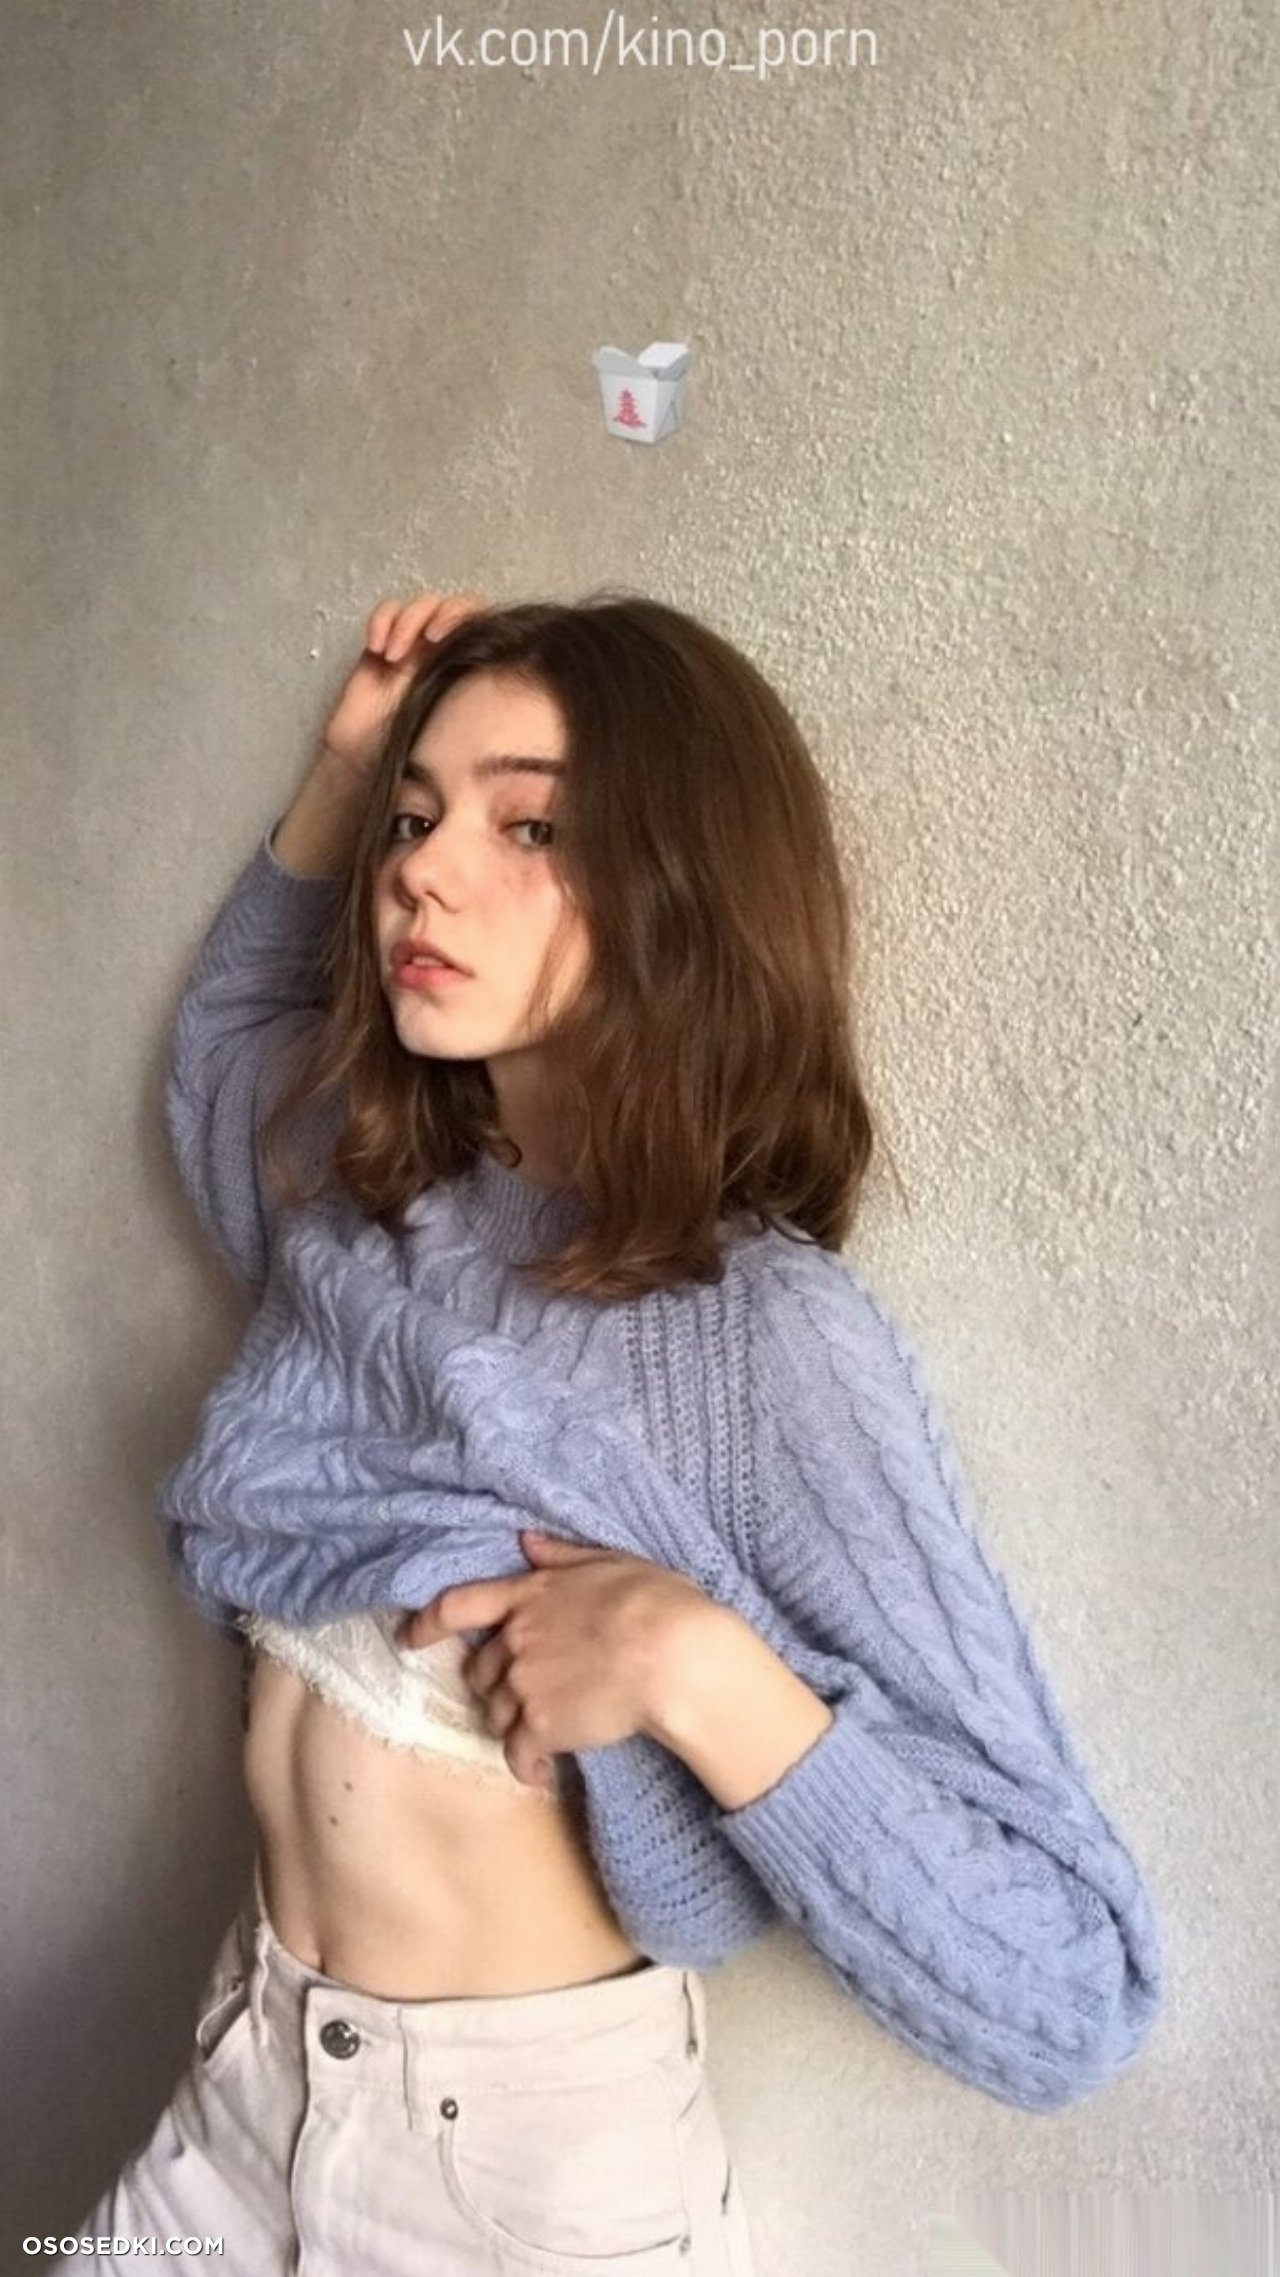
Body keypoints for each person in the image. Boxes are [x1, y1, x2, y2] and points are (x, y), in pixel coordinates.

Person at [62, 588, 1163, 2273]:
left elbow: (1068, 1991)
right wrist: (345, 773)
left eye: (529, 825)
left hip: (506, 2193)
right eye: (415, 821)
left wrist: (698, 1668)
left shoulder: (757, 1337)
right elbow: (220, 1063)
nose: (421, 872)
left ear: (682, 888)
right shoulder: (366, 1216)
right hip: (239, 2086)